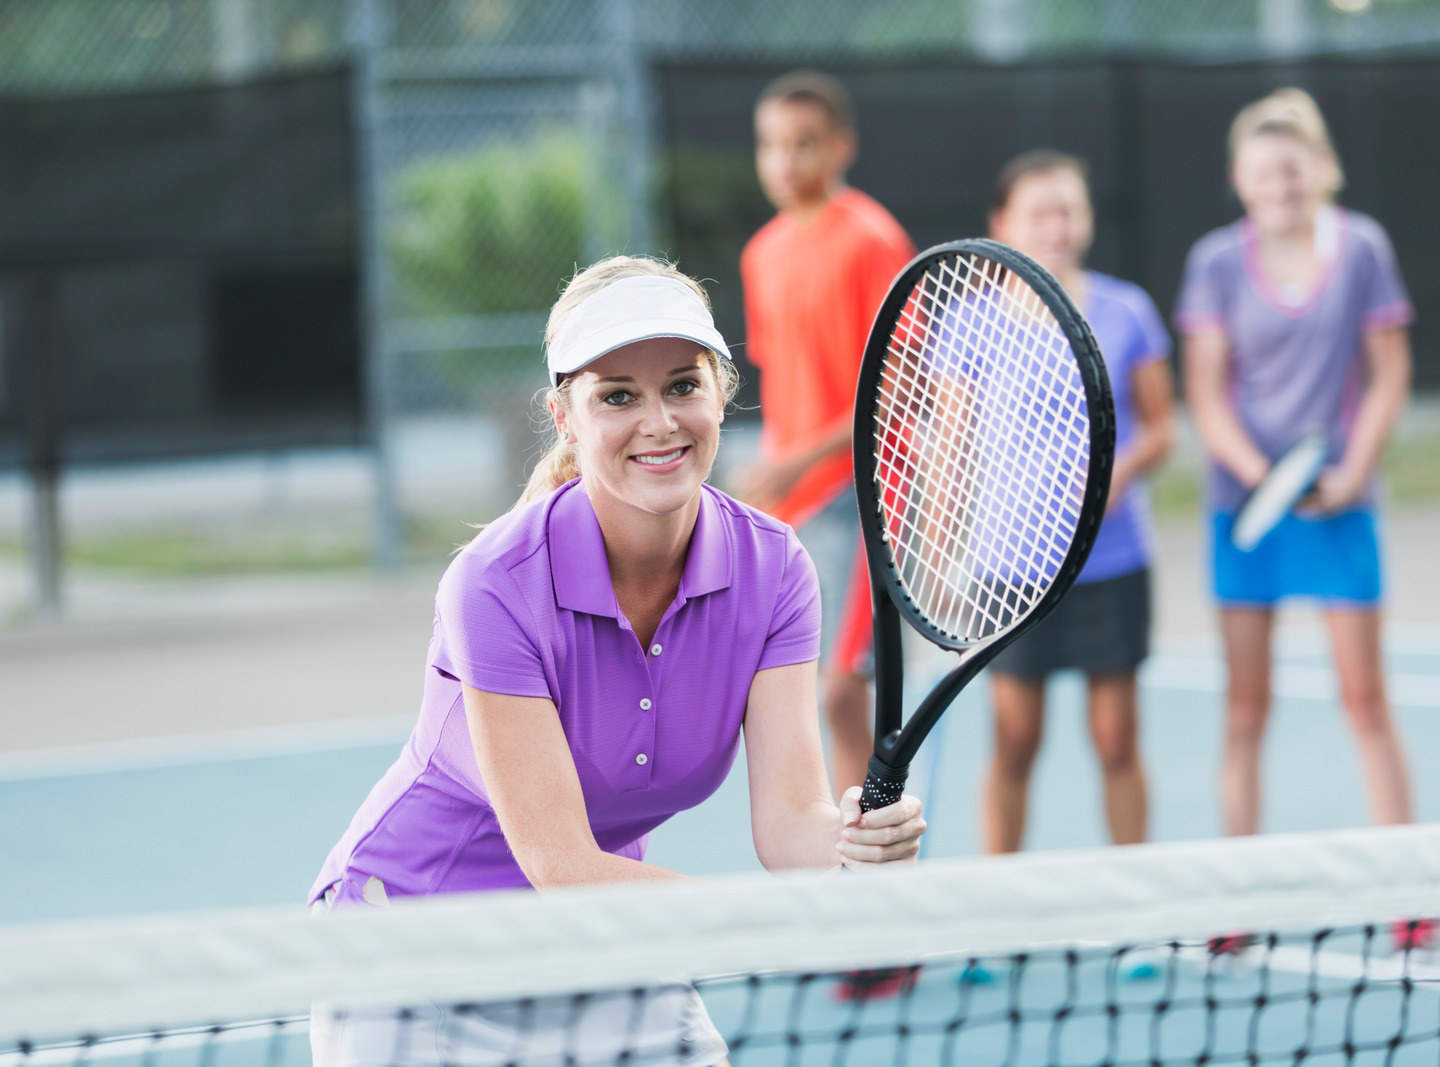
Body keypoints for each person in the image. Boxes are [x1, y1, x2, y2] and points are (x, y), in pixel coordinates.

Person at [308, 257, 926, 1067]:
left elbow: (788, 823)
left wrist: (852, 843)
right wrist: (769, 921)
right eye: (618, 396)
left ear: (721, 394)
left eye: (682, 385)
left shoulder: (776, 569)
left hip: (602, 937)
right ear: (564, 416)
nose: (659, 422)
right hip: (418, 947)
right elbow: (560, 862)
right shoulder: (493, 584)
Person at [1175, 90, 1417, 940]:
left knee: (1366, 700)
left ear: (1320, 170)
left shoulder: (1363, 249)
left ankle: (1409, 893)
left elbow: (1389, 372)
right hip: (1246, 513)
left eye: (1293, 168)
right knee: (1246, 709)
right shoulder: (1214, 261)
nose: (1280, 184)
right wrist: (1266, 479)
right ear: (1239, 179)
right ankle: (1240, 898)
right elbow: (1206, 396)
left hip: (1343, 506)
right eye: (1263, 171)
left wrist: (1351, 472)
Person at [978, 151, 1175, 853]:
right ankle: (997, 900)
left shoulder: (1127, 311)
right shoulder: (968, 321)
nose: (1056, 226)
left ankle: (1136, 897)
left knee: (1116, 739)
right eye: (1040, 213)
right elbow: (949, 451)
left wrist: (1125, 469)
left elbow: (1162, 429)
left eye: (1068, 210)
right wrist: (936, 565)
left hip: (1111, 562)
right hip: (1008, 572)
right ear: (1003, 224)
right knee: (1015, 742)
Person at [736, 70, 917, 797]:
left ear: (841, 146)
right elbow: (784, 379)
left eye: (803, 143)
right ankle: (851, 842)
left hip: (865, 494)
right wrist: (774, 468)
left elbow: (896, 392)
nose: (784, 160)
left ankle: (871, 844)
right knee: (808, 697)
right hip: (795, 502)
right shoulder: (761, 253)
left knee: (844, 692)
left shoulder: (872, 240)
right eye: (770, 144)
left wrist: (799, 461)